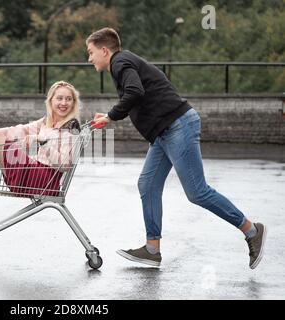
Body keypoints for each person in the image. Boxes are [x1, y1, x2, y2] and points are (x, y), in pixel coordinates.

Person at [86, 27, 266, 269]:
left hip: (176, 126)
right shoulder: (123, 62)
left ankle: (252, 231)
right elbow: (138, 93)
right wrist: (111, 114)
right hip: (164, 132)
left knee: (197, 192)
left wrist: (110, 116)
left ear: (105, 50)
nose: (89, 58)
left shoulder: (120, 61)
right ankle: (152, 249)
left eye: (91, 52)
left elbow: (135, 91)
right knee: (147, 185)